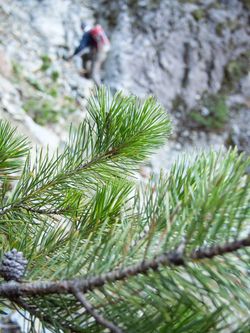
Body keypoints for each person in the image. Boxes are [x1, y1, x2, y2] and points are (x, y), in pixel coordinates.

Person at [68, 22, 110, 88]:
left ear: (82, 28)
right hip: (103, 53)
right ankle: (87, 75)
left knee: (94, 74)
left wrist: (74, 55)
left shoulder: (87, 34)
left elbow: (81, 46)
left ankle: (102, 92)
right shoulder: (94, 32)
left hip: (97, 54)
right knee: (84, 56)